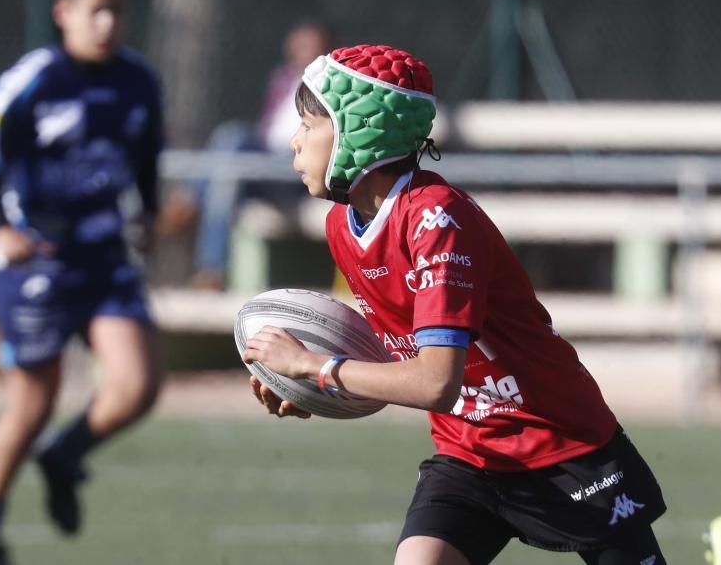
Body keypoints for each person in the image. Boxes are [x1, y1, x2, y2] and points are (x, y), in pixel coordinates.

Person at [242, 44, 667, 565]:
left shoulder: (437, 221)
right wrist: (307, 385)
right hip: (468, 454)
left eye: (309, 125)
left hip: (563, 446)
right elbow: (400, 352)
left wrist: (316, 366)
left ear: (360, 131)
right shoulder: (341, 226)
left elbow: (434, 383)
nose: (294, 141)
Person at [0, 0, 165, 565]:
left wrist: (147, 213)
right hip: (37, 263)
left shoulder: (139, 80)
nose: (108, 23)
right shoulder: (35, 79)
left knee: (138, 386)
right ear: (63, 12)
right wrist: (0, 230)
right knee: (33, 400)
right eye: (96, 10)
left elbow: (147, 155)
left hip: (104, 257)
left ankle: (64, 455)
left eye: (118, 11)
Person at [158, 22, 331, 290]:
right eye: (299, 45)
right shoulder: (283, 78)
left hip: (295, 167)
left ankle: (188, 203)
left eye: (310, 45)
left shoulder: (328, 86)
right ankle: (211, 269)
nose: (302, 51)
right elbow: (269, 128)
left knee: (233, 140)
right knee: (229, 154)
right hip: (266, 158)